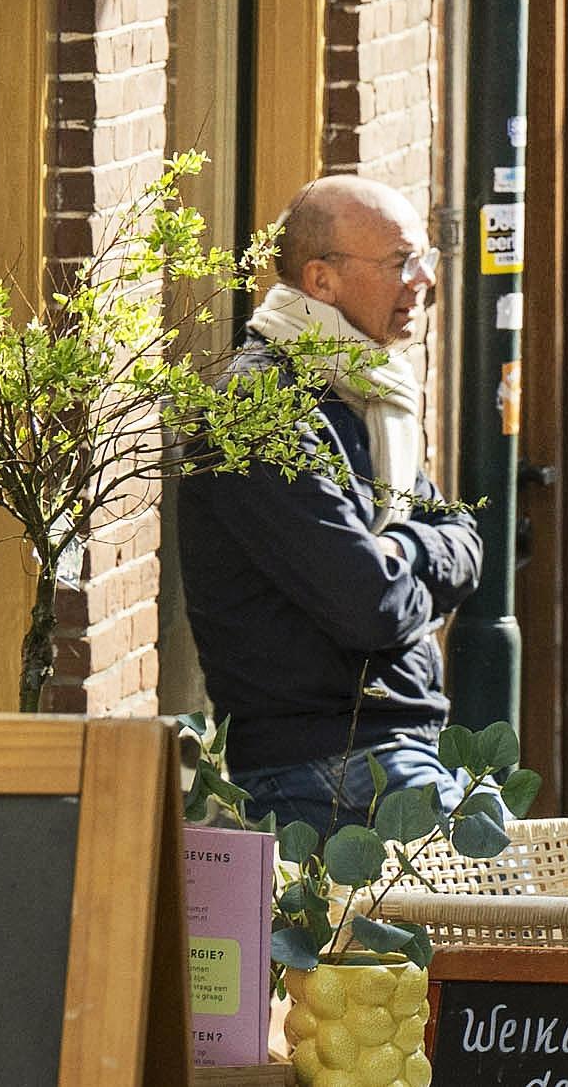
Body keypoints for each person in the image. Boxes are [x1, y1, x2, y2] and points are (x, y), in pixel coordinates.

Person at [180, 175, 481, 855]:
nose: (424, 279)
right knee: (508, 926)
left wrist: (399, 551)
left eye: (425, 257)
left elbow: (466, 541)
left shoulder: (365, 394)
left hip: (385, 752)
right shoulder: (258, 411)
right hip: (323, 769)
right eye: (402, 261)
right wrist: (411, 559)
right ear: (322, 279)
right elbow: (368, 605)